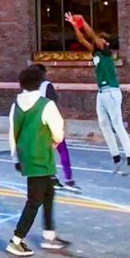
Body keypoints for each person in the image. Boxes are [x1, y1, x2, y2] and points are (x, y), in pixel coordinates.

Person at [7, 65, 70, 257]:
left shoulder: (15, 105)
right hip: (42, 156)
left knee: (48, 194)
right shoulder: (45, 104)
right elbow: (58, 131)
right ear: (40, 83)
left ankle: (49, 235)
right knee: (34, 201)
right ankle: (16, 240)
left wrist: (16, 157)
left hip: (26, 156)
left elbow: (12, 133)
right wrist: (54, 141)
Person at [66, 12, 130, 175]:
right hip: (101, 93)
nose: (99, 41)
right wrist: (75, 25)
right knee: (104, 124)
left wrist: (83, 22)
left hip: (112, 91)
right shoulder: (95, 53)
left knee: (117, 124)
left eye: (102, 40)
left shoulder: (106, 52)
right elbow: (83, 39)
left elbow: (90, 35)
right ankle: (116, 157)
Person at [33, 65, 80, 193]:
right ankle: (69, 180)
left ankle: (51, 178)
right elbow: (53, 103)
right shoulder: (46, 85)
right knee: (62, 150)